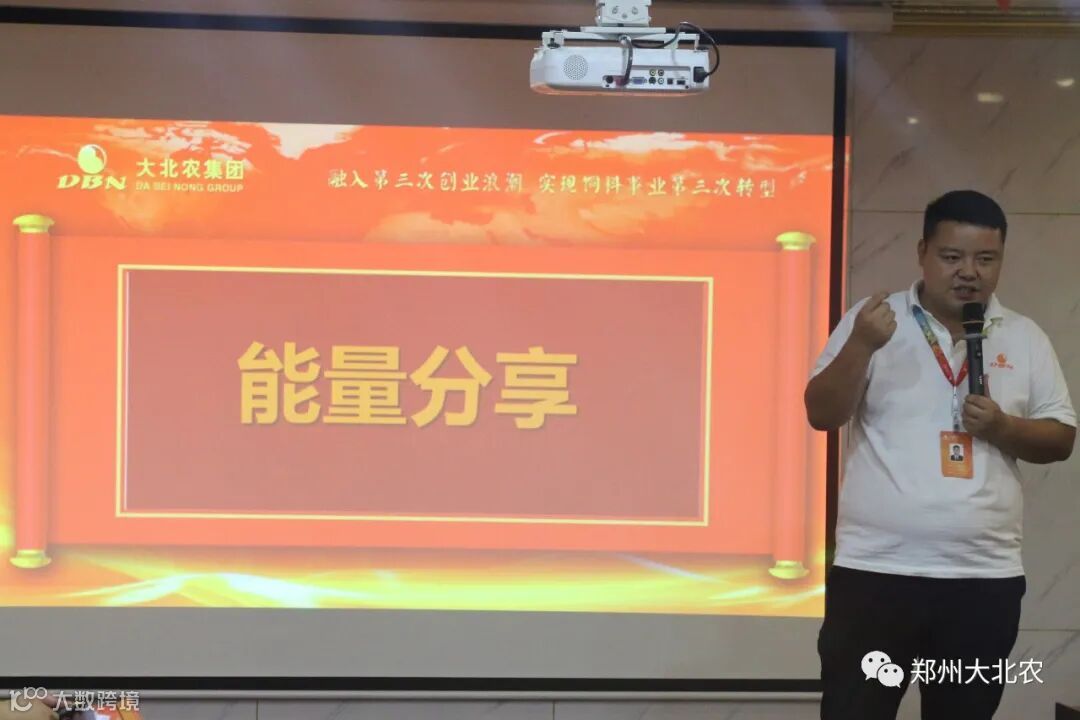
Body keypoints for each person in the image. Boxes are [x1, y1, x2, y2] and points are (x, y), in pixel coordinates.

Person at [805, 190, 1076, 720]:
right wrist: (861, 345)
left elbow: (1060, 438)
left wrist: (1003, 427)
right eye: (952, 257)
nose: (968, 272)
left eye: (985, 259)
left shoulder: (1024, 336)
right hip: (876, 576)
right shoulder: (873, 321)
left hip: (983, 581)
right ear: (923, 252)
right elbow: (821, 413)